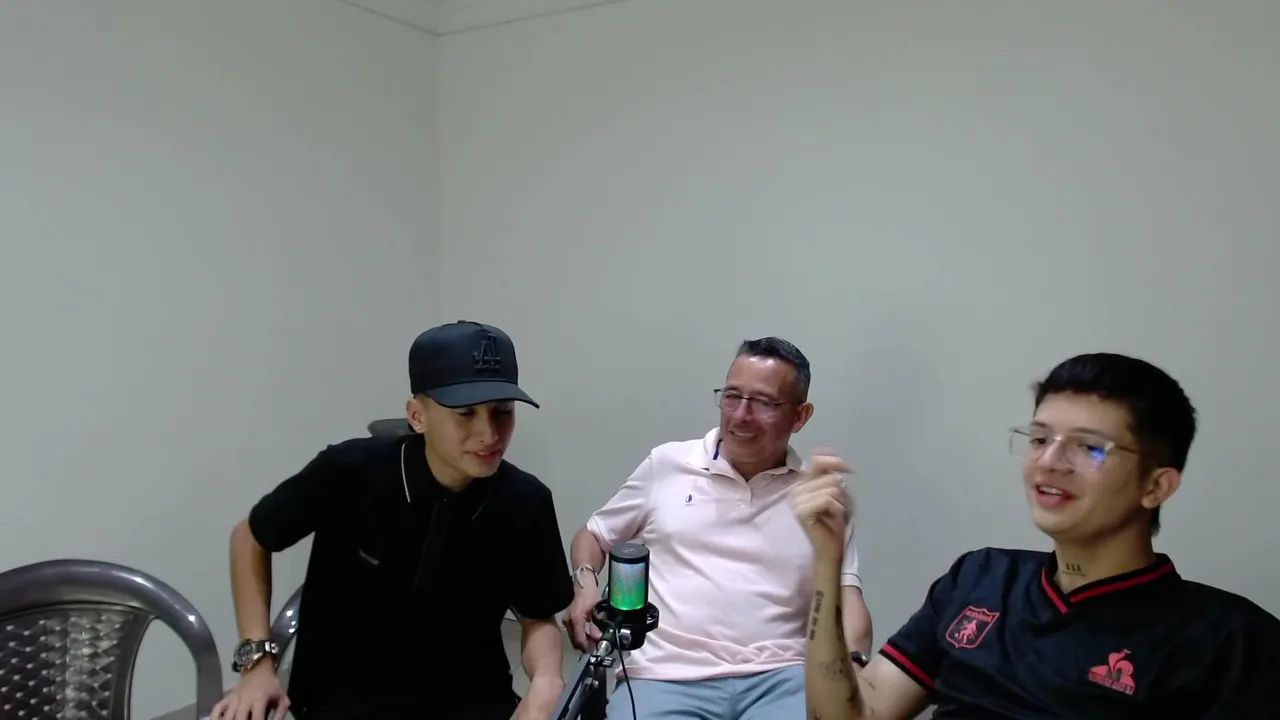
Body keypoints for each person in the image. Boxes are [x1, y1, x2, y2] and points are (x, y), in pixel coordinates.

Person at [794, 352, 1280, 719]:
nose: (1049, 461)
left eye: (1089, 448)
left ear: (1156, 486)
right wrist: (827, 561)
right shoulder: (980, 578)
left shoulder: (1230, 640)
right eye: (1041, 438)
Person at [211, 321, 574, 720]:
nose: (489, 433)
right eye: (465, 414)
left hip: (471, 698)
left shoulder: (526, 501)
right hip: (345, 699)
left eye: (502, 412)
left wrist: (546, 682)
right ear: (418, 416)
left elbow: (538, 615)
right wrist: (257, 662)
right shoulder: (350, 472)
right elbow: (250, 537)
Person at [563, 337, 873, 720]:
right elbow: (594, 535)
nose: (741, 415)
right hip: (666, 674)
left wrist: (853, 667)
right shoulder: (668, 465)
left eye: (763, 403)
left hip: (783, 676)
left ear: (800, 416)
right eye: (732, 397)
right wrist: (585, 584)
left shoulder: (817, 495)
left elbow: (849, 601)